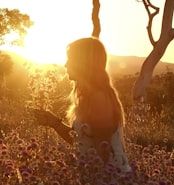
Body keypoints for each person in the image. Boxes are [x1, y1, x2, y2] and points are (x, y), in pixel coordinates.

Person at [32, 37, 131, 173]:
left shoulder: (99, 97)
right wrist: (55, 123)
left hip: (110, 181)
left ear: (84, 63)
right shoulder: (89, 96)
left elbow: (104, 149)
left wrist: (93, 183)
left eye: (70, 59)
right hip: (97, 179)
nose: (65, 64)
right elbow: (82, 141)